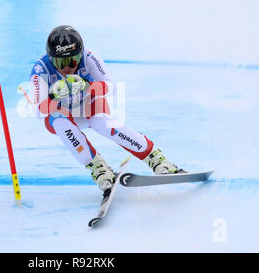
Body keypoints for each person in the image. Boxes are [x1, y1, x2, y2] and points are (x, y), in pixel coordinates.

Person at [29, 25, 185, 194]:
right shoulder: (41, 69)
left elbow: (111, 86)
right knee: (58, 121)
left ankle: (155, 159)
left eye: (73, 60)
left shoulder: (89, 57)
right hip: (65, 114)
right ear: (51, 59)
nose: (68, 67)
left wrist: (88, 85)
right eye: (61, 62)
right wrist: (53, 96)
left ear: (79, 55)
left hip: (89, 105)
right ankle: (98, 169)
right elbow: (38, 110)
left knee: (103, 124)